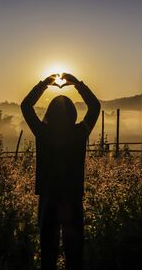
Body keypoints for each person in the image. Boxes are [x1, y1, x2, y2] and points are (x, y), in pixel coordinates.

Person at [21, 73, 100, 270]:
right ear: (73, 114)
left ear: (49, 113)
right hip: (73, 197)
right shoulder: (80, 132)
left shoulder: (43, 132)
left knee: (48, 253)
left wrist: (44, 84)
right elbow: (95, 106)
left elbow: (26, 106)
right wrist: (77, 84)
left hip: (48, 197)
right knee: (75, 254)